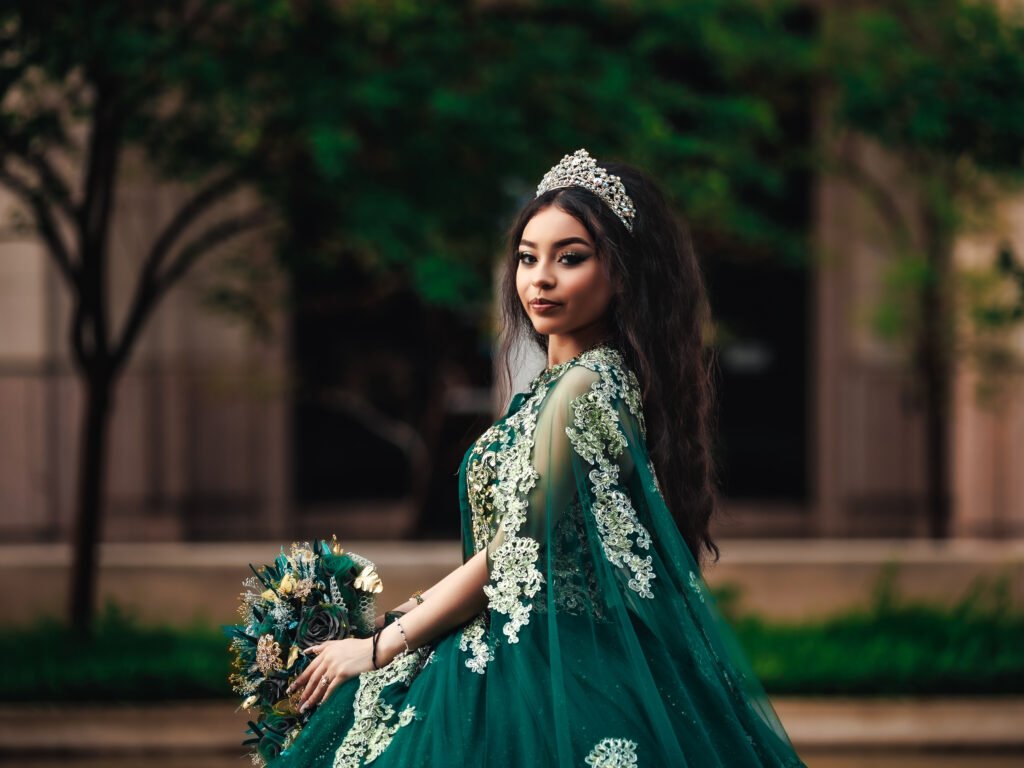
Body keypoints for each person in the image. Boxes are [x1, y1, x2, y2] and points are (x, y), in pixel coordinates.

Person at [274, 149, 807, 767]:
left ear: (623, 273)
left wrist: (379, 648)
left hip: (548, 671)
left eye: (570, 257)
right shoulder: (564, 387)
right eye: (528, 258)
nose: (540, 279)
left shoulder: (586, 386)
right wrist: (397, 620)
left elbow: (514, 552)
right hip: (523, 651)